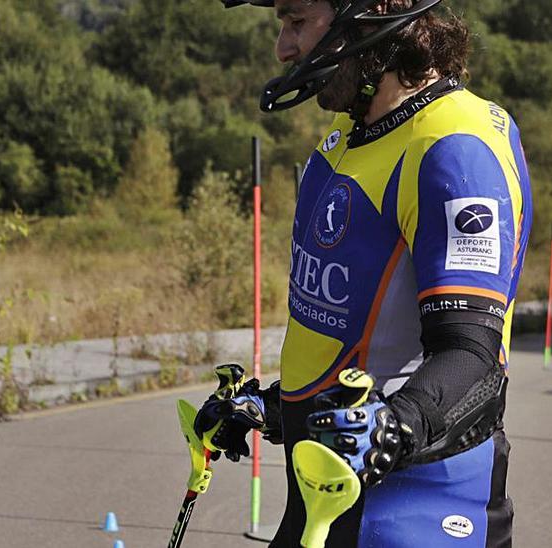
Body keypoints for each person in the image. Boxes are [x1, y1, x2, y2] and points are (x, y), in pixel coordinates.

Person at [197, 1, 530, 546]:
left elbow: (471, 355)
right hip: (326, 507)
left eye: (297, 21)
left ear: (372, 12)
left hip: (414, 512)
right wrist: (274, 408)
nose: (284, 48)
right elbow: (365, 343)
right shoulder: (356, 130)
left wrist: (396, 426)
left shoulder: (454, 151)